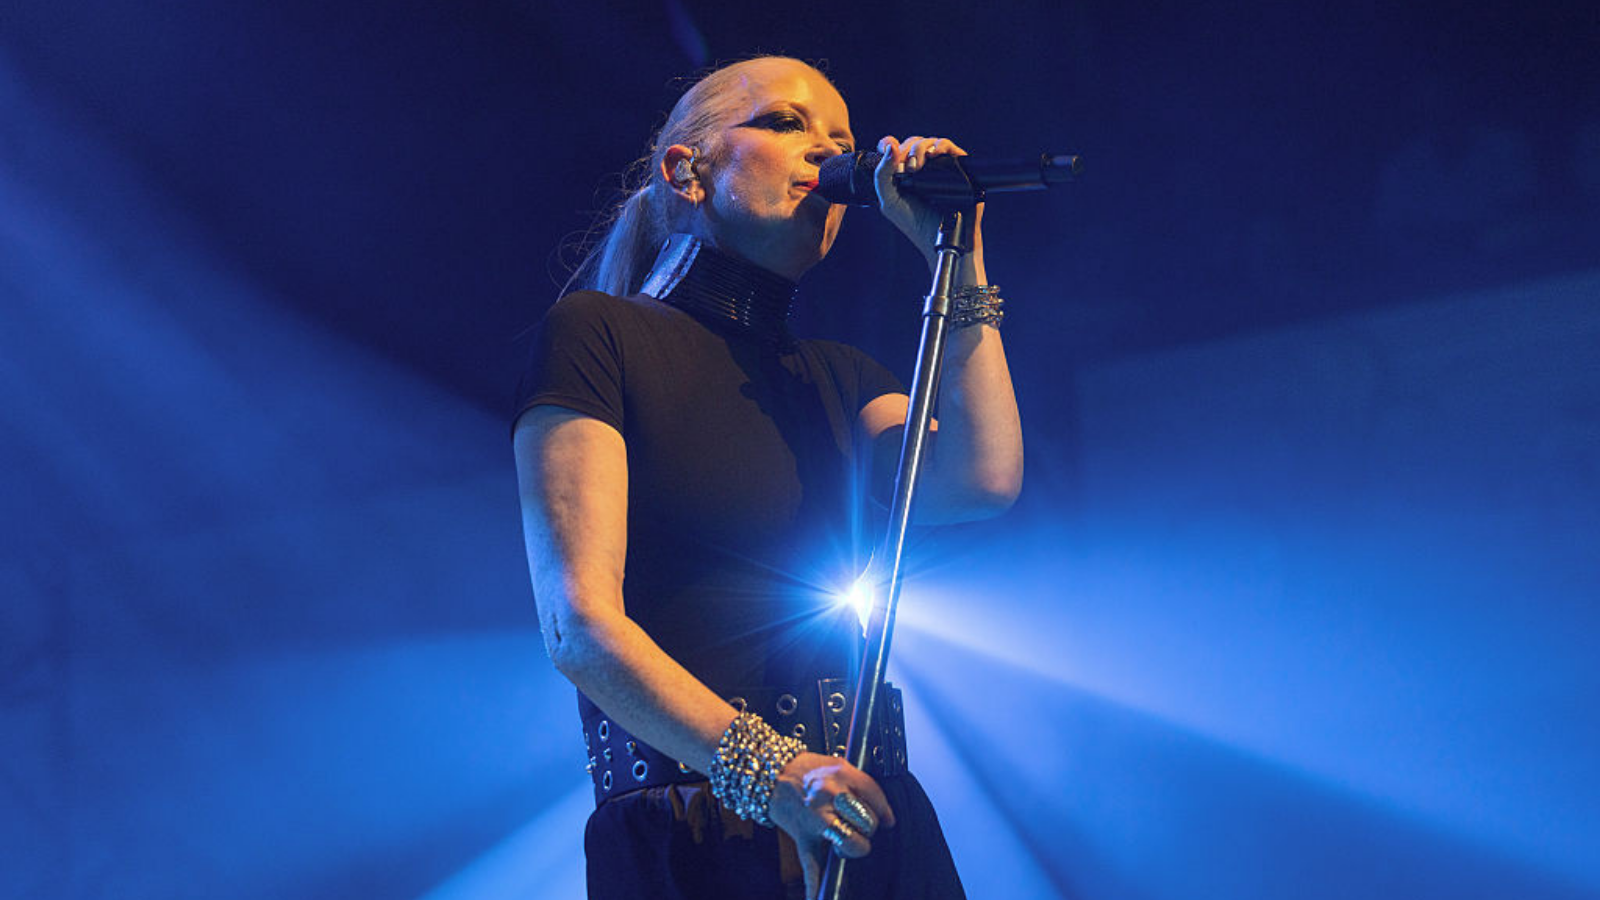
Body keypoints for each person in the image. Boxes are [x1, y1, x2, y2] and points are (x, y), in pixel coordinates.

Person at [512, 55, 1022, 899]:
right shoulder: (598, 337)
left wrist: (956, 259)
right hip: (702, 821)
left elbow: (981, 479)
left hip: (862, 812)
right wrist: (771, 772)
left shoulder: (842, 378)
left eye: (843, 140)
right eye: (787, 124)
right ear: (688, 170)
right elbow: (578, 626)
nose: (826, 155)